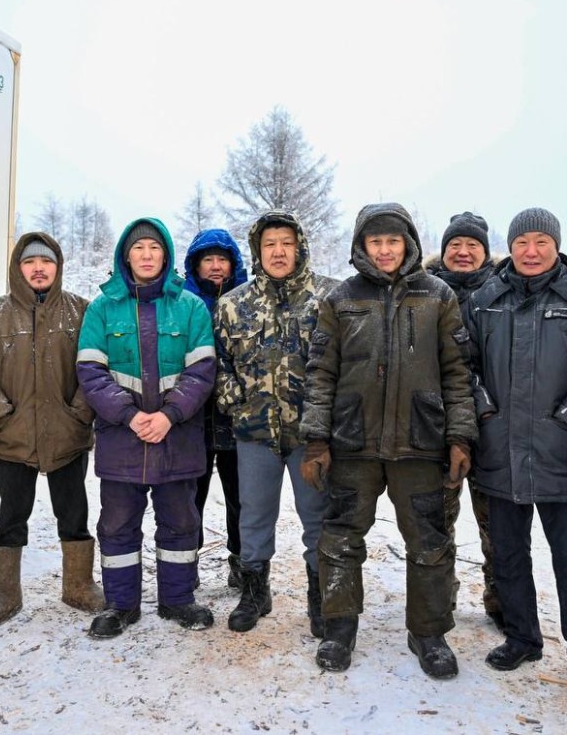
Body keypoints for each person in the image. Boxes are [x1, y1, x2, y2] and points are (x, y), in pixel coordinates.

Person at [301, 203, 477, 676]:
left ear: (409, 244)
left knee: (429, 540)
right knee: (339, 538)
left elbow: (457, 373)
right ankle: (339, 627)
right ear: (362, 246)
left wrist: (460, 436)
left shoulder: (437, 296)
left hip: (421, 442)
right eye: (375, 242)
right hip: (352, 442)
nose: (384, 250)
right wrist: (317, 440)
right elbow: (320, 374)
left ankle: (429, 632)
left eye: (392, 241)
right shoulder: (340, 299)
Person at [463, 207, 567, 700]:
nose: (531, 252)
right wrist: (484, 410)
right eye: (522, 243)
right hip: (499, 451)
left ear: (556, 247)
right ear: (508, 247)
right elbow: (461, 364)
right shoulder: (484, 299)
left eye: (541, 242)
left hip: (563, 453)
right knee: (508, 554)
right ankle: (522, 637)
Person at [76, 218, 216, 638]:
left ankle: (178, 600)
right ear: (125, 256)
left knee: (180, 522)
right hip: (123, 439)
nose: (147, 255)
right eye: (139, 249)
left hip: (177, 437)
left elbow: (203, 370)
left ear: (167, 255)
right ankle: (121, 605)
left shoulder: (189, 306)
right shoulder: (103, 308)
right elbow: (90, 371)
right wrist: (131, 415)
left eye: (155, 247)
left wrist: (169, 415)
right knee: (117, 525)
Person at [0, 232, 104, 632]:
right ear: (17, 268)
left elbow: (94, 367)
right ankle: (3, 593)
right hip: (14, 437)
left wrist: (79, 412)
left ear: (58, 267)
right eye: (30, 262)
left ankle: (78, 585)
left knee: (74, 513)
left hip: (68, 435)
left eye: (46, 262)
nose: (38, 268)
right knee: (11, 515)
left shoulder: (82, 312)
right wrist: (1, 416)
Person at [214, 211, 339, 635]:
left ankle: (319, 596)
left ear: (300, 246)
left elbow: (344, 364)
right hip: (255, 434)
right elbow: (218, 364)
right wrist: (237, 403)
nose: (279, 251)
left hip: (311, 435)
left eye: (286, 242)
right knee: (253, 516)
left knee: (317, 517)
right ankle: (254, 591)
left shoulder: (328, 298)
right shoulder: (234, 304)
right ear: (258, 251)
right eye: (270, 244)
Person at [424, 210, 503, 630]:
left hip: (494, 425)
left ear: (485, 253)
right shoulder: (426, 290)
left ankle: (501, 598)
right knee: (437, 519)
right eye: (456, 244)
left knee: (497, 525)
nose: (463, 251)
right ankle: (439, 597)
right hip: (439, 425)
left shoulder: (504, 290)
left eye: (473, 245)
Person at [182, 228, 248, 587]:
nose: (216, 266)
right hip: (193, 419)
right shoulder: (182, 303)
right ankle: (187, 562)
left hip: (237, 419)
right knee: (192, 497)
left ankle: (242, 562)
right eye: (208, 259)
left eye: (222, 259)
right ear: (195, 265)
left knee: (242, 498)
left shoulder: (247, 300)